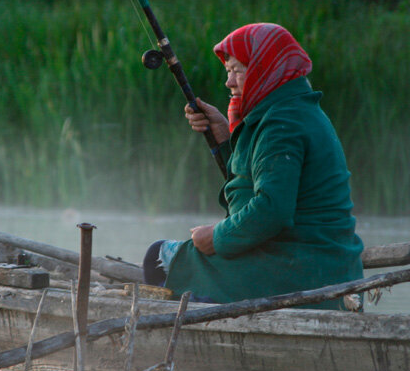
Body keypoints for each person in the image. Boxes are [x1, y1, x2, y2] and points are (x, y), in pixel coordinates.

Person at [142, 23, 364, 309]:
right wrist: (225, 137)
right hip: (316, 262)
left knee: (158, 256)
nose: (229, 82)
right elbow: (254, 182)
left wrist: (217, 237)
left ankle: (200, 320)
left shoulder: (281, 124)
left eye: (238, 71)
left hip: (300, 269)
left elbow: (271, 210)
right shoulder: (291, 109)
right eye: (228, 72)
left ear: (265, 70)